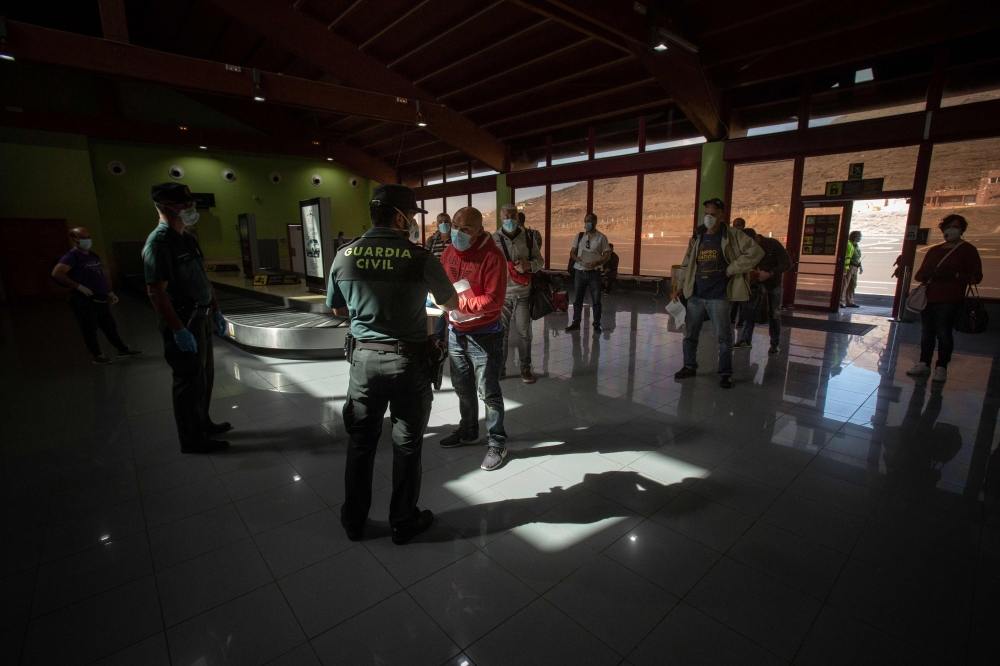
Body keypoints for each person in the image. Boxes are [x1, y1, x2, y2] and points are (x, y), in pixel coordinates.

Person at [328, 184, 459, 544]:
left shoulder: (344, 255)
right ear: (400, 216)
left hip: (363, 363)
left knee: (361, 443)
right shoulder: (418, 256)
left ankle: (354, 521)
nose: (413, 223)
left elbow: (337, 308)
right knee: (406, 445)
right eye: (413, 216)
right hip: (408, 364)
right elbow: (450, 303)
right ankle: (403, 520)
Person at [142, 183, 231, 454]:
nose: (190, 210)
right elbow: (156, 292)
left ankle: (203, 422)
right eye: (183, 206)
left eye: (191, 204)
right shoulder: (159, 244)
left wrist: (215, 310)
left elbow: (203, 280)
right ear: (164, 207)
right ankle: (191, 439)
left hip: (202, 318)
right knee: (188, 380)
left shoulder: (188, 239)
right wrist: (178, 329)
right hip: (184, 320)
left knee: (204, 376)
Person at [438, 207, 509, 471]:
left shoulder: (493, 257)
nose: (457, 232)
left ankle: (498, 442)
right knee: (463, 389)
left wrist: (457, 305)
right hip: (456, 333)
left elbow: (494, 301)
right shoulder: (447, 253)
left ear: (479, 230)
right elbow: (441, 287)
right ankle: (468, 431)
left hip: (485, 336)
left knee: (489, 393)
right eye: (455, 225)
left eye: (465, 229)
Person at [673, 198, 763, 389]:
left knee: (724, 337)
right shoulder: (698, 236)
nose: (708, 218)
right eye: (706, 214)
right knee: (690, 334)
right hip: (696, 295)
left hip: (719, 296)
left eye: (713, 214)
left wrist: (733, 268)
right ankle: (689, 366)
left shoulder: (732, 235)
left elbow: (755, 252)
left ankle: (725, 373)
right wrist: (681, 285)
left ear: (722, 215)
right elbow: (687, 263)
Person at [907, 214, 983, 383]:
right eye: (948, 226)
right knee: (927, 333)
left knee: (943, 333)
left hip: (950, 299)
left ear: (962, 230)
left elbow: (976, 277)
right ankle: (923, 362)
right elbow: (919, 275)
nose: (951, 230)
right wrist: (929, 274)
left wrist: (954, 275)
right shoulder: (934, 251)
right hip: (929, 298)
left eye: (956, 227)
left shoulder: (968, 250)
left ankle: (942, 367)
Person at [52, 227, 143, 364]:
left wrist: (109, 291)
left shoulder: (93, 256)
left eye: (88, 236)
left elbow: (100, 274)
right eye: (83, 237)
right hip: (83, 299)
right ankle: (97, 354)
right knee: (89, 327)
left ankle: (122, 349)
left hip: (100, 297)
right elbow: (57, 273)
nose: (87, 240)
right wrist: (78, 286)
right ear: (74, 240)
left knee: (109, 325)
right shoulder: (71, 257)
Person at [494, 203, 543, 383]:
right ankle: (501, 368)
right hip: (502, 295)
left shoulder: (528, 237)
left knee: (524, 333)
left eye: (513, 216)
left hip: (523, 293)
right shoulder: (493, 239)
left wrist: (529, 265)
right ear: (500, 218)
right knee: (502, 333)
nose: (509, 220)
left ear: (518, 217)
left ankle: (525, 369)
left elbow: (540, 260)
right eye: (506, 216)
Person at [733, 228, 791, 354]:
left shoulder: (772, 244)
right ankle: (745, 340)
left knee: (774, 313)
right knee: (750, 310)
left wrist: (770, 273)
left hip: (772, 285)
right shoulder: (743, 247)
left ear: (756, 238)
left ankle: (774, 343)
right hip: (754, 285)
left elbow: (787, 263)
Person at [565, 213, 611, 333]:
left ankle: (596, 324)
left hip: (594, 273)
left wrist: (597, 263)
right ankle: (576, 323)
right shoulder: (579, 236)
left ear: (595, 222)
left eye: (589, 221)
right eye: (585, 221)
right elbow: (572, 252)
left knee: (596, 300)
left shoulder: (601, 237)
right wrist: (578, 259)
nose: (587, 224)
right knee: (578, 299)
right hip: (580, 271)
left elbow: (607, 255)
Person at [426, 213, 453, 344]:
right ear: (437, 224)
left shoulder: (455, 240)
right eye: (441, 221)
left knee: (454, 314)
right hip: (435, 285)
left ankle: (454, 341)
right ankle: (439, 344)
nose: (443, 224)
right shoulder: (431, 241)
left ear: (451, 223)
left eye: (446, 221)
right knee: (439, 316)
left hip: (454, 283)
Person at [841, 230, 863, 307]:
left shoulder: (856, 246)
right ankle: (840, 301)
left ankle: (849, 301)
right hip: (849, 266)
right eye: (859, 236)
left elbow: (857, 257)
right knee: (845, 284)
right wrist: (845, 268)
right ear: (855, 236)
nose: (860, 238)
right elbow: (846, 256)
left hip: (855, 267)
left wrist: (860, 266)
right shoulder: (849, 244)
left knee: (853, 285)